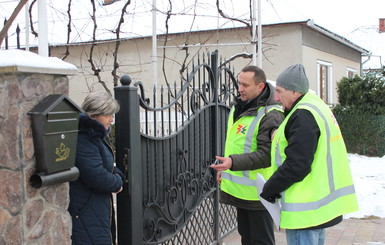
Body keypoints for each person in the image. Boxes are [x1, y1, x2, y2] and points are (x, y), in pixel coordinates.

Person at [260, 64, 359, 245]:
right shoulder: (315, 106)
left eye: (280, 91)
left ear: (295, 92)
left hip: (305, 211)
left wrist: (270, 189)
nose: (276, 97)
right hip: (318, 206)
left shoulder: (303, 115)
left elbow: (297, 164)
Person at [211, 65, 284, 245]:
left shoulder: (271, 114)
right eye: (239, 84)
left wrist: (232, 163)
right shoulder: (239, 107)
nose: (240, 89)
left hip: (259, 194)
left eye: (245, 85)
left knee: (261, 241)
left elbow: (266, 155)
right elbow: (238, 145)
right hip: (242, 193)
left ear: (260, 87)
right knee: (247, 238)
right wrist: (227, 168)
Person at [69, 90, 124, 245]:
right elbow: (96, 176)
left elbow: (107, 166)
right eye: (108, 115)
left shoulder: (96, 136)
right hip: (85, 211)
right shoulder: (84, 138)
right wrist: (117, 182)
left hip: (95, 208)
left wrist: (118, 176)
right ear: (94, 114)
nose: (112, 119)